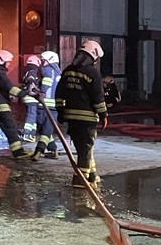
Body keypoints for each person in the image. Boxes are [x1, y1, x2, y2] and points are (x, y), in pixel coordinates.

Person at [57, 39, 109, 187]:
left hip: (71, 119)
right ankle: (80, 181)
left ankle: (92, 176)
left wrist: (61, 111)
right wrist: (104, 115)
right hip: (87, 119)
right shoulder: (93, 73)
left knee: (83, 148)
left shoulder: (67, 71)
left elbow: (59, 93)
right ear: (93, 56)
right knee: (85, 149)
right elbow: (98, 98)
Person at [31, 51, 63, 159]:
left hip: (44, 106)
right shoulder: (58, 72)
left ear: (49, 61)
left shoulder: (47, 70)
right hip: (54, 107)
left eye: (44, 61)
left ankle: (38, 151)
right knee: (47, 129)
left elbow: (47, 81)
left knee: (44, 130)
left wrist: (41, 92)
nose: (42, 63)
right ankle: (54, 150)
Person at [19, 54, 43, 143]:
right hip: (31, 97)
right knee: (32, 115)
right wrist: (38, 91)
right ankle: (27, 133)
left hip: (27, 97)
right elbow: (31, 81)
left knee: (33, 116)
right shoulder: (32, 72)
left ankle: (32, 134)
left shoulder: (27, 71)